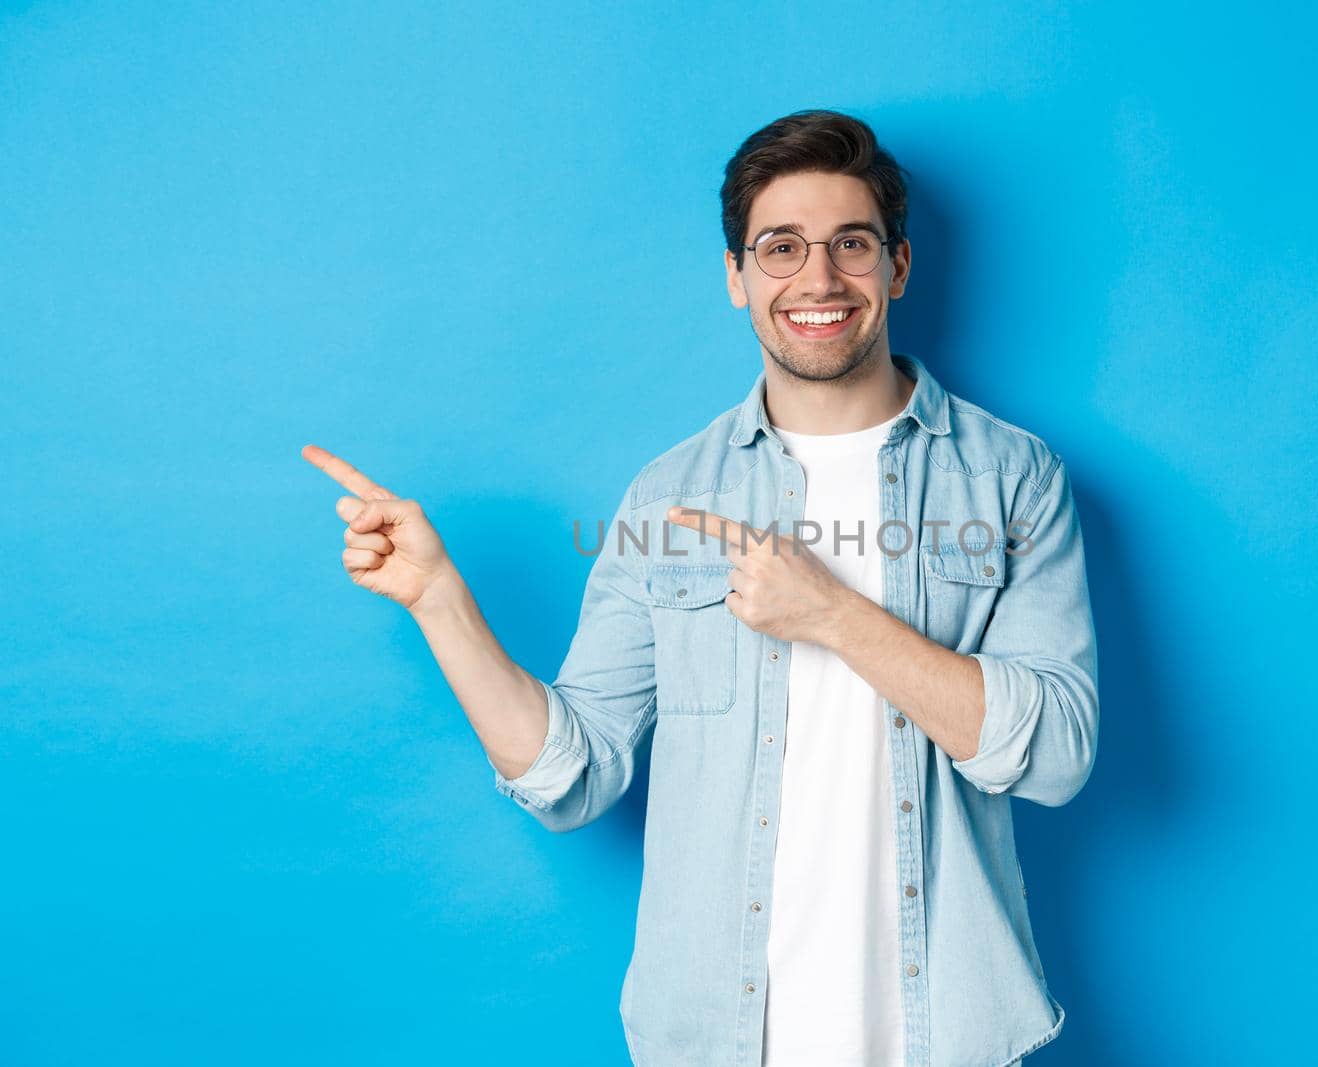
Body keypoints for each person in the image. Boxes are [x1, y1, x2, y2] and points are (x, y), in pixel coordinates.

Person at [303, 108, 1099, 1067]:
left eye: (851, 243)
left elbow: (1056, 753)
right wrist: (440, 601)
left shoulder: (1014, 478)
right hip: (715, 1041)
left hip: (948, 1037)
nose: (817, 278)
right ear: (735, 277)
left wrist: (835, 615)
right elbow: (573, 772)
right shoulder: (669, 497)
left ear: (897, 267)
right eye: (780, 248)